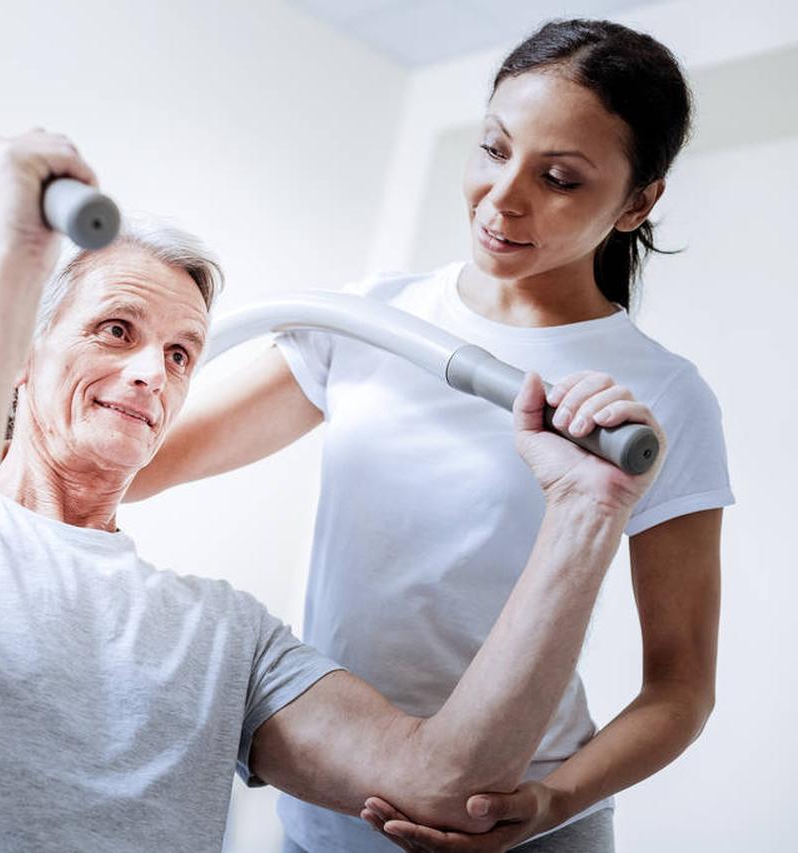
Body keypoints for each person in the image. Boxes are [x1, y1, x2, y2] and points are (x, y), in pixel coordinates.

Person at [0, 129, 665, 852]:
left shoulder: (225, 632)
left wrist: (587, 513)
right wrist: (12, 264)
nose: (150, 373)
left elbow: (445, 786)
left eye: (180, 355)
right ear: (26, 352)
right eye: (115, 330)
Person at [126, 18, 732, 853]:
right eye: (492, 149)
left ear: (638, 201)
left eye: (558, 177)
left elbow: (681, 688)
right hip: (327, 807)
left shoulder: (660, 396)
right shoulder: (371, 317)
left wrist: (551, 801)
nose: (504, 197)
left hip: (516, 825)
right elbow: (136, 462)